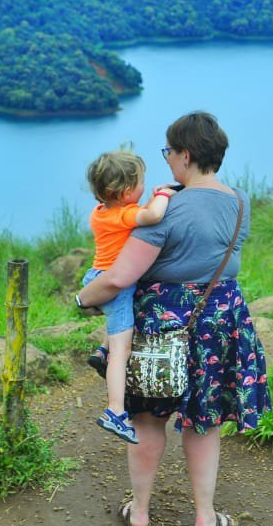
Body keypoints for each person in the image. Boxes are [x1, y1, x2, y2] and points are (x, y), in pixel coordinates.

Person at [76, 111, 269, 526]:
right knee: (204, 420)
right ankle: (205, 516)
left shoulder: (166, 209)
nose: (166, 160)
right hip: (221, 318)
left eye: (168, 152)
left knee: (148, 419)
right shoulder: (240, 200)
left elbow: (119, 278)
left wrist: (82, 298)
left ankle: (140, 514)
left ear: (185, 155)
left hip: (163, 321)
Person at [82, 150, 176, 444]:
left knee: (118, 329)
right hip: (116, 286)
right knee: (121, 352)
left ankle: (101, 350)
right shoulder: (123, 215)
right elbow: (153, 215)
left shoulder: (100, 213)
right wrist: (164, 194)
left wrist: (149, 200)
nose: (145, 187)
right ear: (124, 192)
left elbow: (137, 213)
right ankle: (115, 410)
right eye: (141, 183)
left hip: (97, 275)